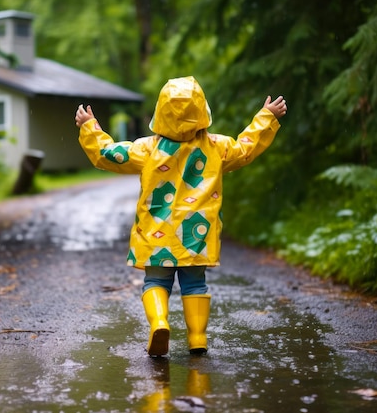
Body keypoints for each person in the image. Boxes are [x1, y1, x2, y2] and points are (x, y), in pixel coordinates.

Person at [75, 76, 286, 356]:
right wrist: (266, 117)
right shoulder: (216, 147)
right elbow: (245, 148)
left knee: (156, 282)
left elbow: (108, 154)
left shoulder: (148, 149)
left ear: (160, 112)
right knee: (195, 283)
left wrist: (90, 128)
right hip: (195, 235)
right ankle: (197, 337)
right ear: (201, 111)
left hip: (156, 235)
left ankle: (160, 322)